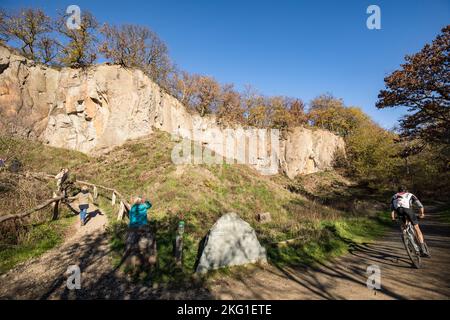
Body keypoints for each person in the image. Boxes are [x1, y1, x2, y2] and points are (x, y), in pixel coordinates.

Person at [391, 186, 429, 256]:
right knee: (417, 228)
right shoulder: (410, 194)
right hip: (408, 211)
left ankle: (408, 243)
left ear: (398, 191)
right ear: (406, 190)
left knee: (404, 228)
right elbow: (420, 206)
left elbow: (392, 209)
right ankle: (423, 250)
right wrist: (422, 214)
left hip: (399, 212)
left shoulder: (394, 196)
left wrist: (393, 218)